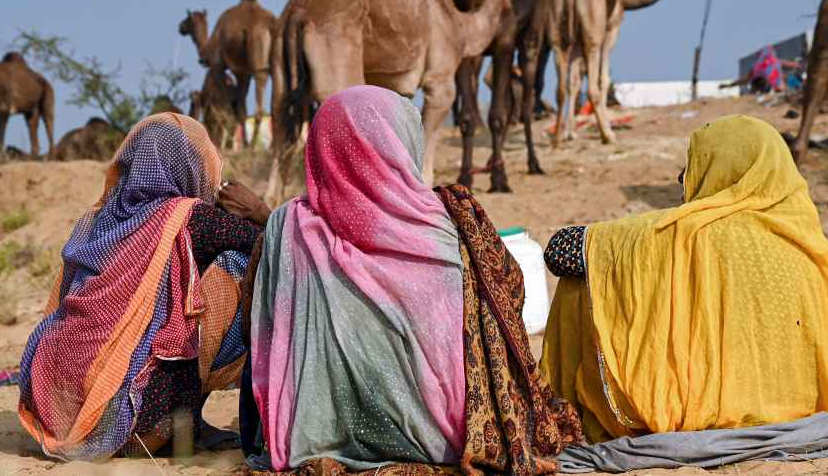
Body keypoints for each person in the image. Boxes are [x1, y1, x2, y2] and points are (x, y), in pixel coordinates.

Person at [243, 85, 583, 474]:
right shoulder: (448, 224)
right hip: (444, 436)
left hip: (307, 437)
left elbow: (256, 329)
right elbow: (511, 289)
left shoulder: (286, 228)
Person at [540, 115, 828, 443]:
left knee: (587, 277)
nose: (682, 176)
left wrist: (629, 242)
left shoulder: (682, 233)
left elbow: (560, 251)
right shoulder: (816, 246)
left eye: (696, 163)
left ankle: (565, 408)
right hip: (808, 405)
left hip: (698, 406)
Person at [18, 112, 271, 460]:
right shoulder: (185, 216)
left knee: (173, 297)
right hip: (133, 422)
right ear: (187, 166)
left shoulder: (99, 218)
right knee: (242, 266)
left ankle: (166, 417)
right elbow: (273, 245)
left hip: (58, 408)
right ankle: (183, 421)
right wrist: (259, 209)